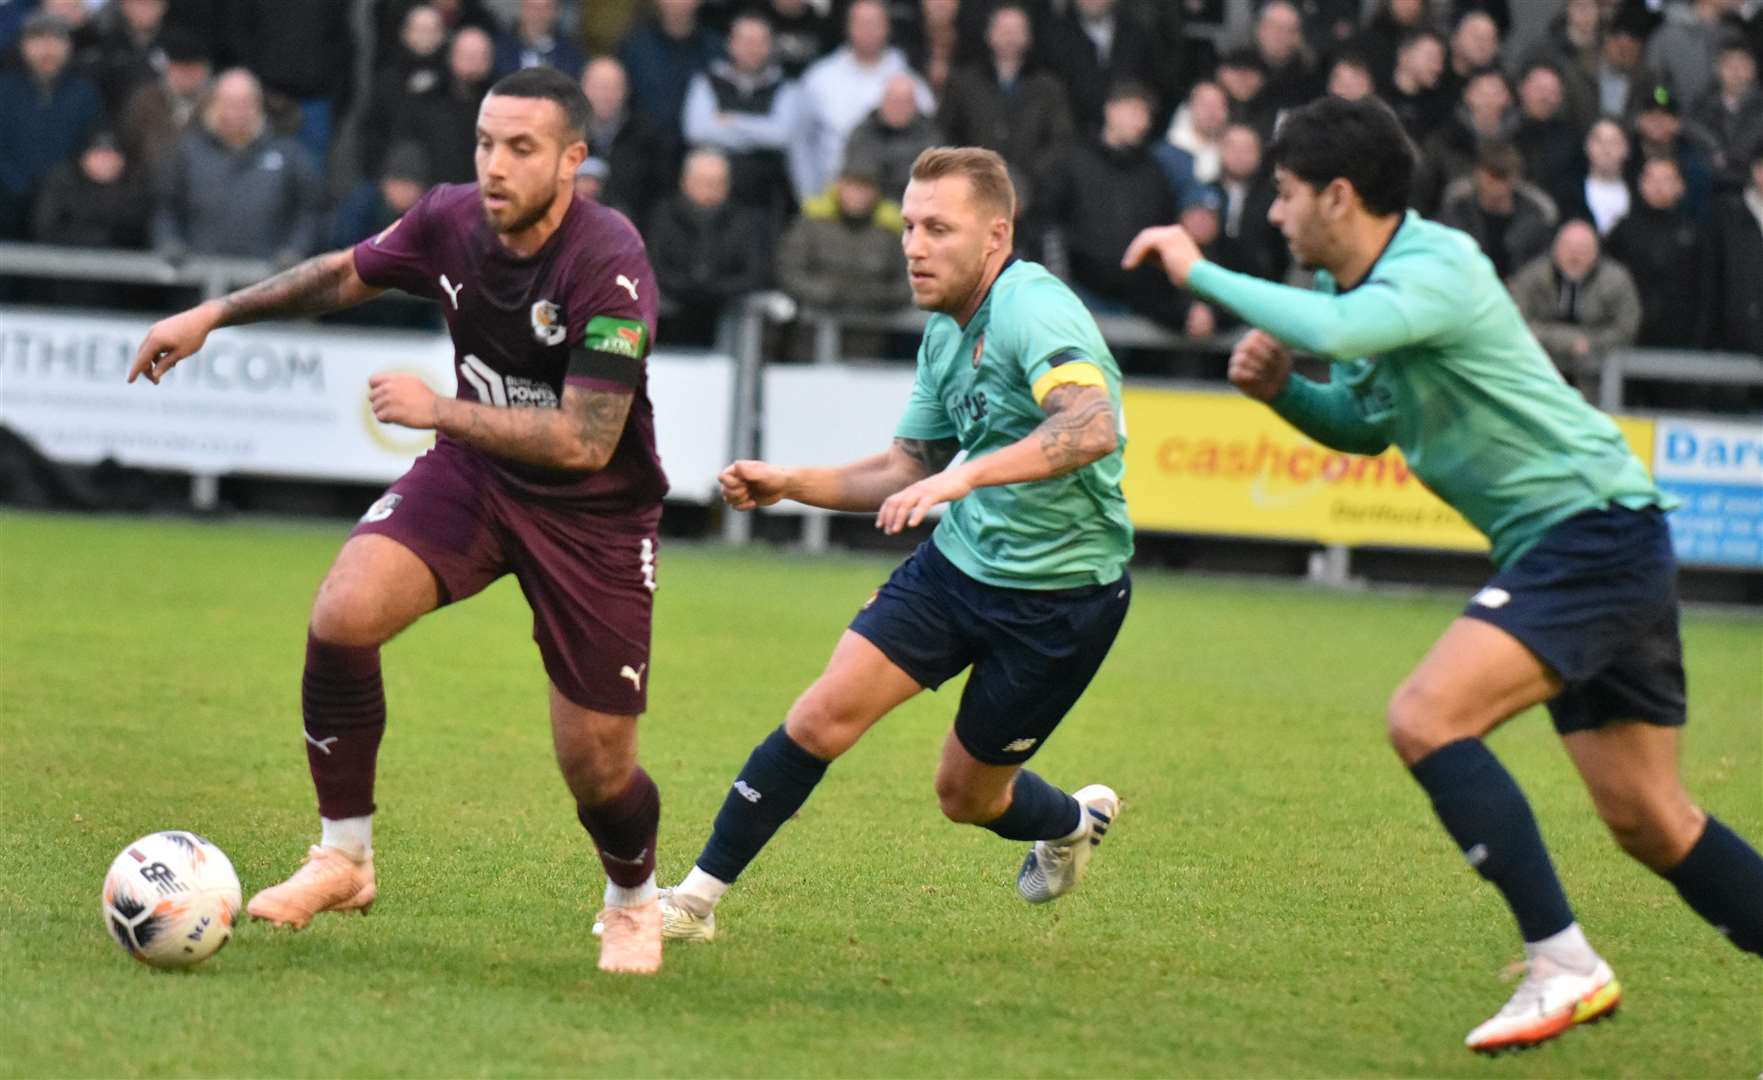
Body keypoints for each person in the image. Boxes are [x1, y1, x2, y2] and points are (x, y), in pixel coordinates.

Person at [1121, 94, 1763, 1054]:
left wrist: (1199, 266)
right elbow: (1367, 421)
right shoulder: (1356, 294)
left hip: (1586, 534)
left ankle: (1561, 963)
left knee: (1426, 716)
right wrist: (1282, 393)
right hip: (1592, 541)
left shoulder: (1437, 265)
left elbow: (1339, 339)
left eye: (1287, 195)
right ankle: (1567, 962)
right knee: (1652, 822)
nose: (1275, 214)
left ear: (1338, 197)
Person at [124, 67, 672, 976]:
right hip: (477, 478)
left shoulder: (607, 260)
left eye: (522, 149)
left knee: (598, 768)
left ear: (574, 159)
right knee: (343, 614)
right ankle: (343, 856)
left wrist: (439, 408)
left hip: (594, 519)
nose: (495, 165)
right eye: (486, 144)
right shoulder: (450, 217)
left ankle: (632, 900)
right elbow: (346, 272)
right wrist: (214, 314)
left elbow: (585, 440)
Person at [658, 146, 1133, 942]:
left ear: (995, 236)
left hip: (1061, 598)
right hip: (956, 570)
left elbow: (1090, 427)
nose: (912, 245)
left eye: (937, 228)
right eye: (908, 226)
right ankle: (695, 900)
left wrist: (964, 479)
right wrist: (792, 483)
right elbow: (905, 466)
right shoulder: (945, 333)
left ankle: (1071, 823)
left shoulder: (1032, 311)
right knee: (820, 717)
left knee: (967, 796)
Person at [1508, 219, 1641, 402]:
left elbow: (1625, 328)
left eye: (1583, 249)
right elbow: (1515, 322)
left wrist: (1592, 343)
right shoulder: (1531, 278)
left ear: (1596, 251)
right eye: (1568, 248)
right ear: (1555, 249)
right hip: (1536, 377)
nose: (1574, 256)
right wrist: (1568, 341)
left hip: (1595, 383)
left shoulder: (1616, 281)